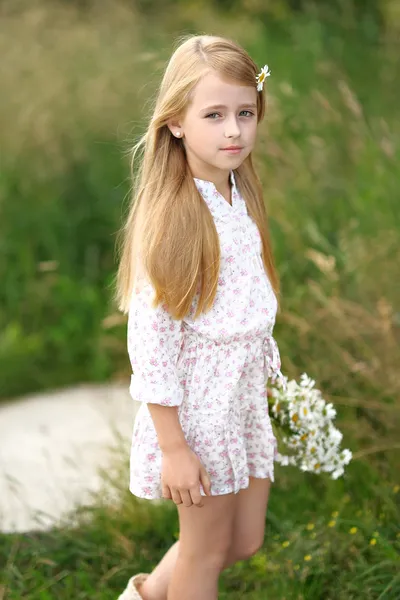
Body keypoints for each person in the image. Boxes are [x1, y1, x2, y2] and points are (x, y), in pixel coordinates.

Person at [115, 33, 287, 600]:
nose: (234, 130)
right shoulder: (176, 220)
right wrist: (174, 448)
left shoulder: (238, 192)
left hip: (239, 402)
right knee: (206, 552)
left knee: (242, 541)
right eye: (214, 115)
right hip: (198, 415)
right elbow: (152, 342)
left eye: (245, 112)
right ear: (176, 123)